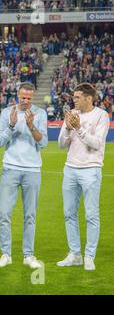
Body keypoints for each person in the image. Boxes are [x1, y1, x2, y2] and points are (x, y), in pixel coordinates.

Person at [57, 83, 110, 271]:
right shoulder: (72, 113)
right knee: (69, 213)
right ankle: (75, 254)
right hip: (70, 168)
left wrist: (79, 128)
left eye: (78, 97)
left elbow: (96, 143)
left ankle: (89, 256)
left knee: (91, 214)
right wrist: (68, 128)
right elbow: (61, 144)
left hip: (91, 169)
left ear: (89, 98)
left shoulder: (101, 116)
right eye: (74, 97)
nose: (74, 100)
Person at [0, 82, 48, 268]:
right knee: (3, 213)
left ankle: (28, 255)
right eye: (23, 97)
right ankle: (6, 254)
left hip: (32, 169)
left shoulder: (40, 114)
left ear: (32, 97)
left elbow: (44, 143)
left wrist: (31, 126)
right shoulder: (6, 113)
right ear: (18, 95)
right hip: (10, 167)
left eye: (29, 98)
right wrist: (11, 124)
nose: (25, 101)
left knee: (30, 215)